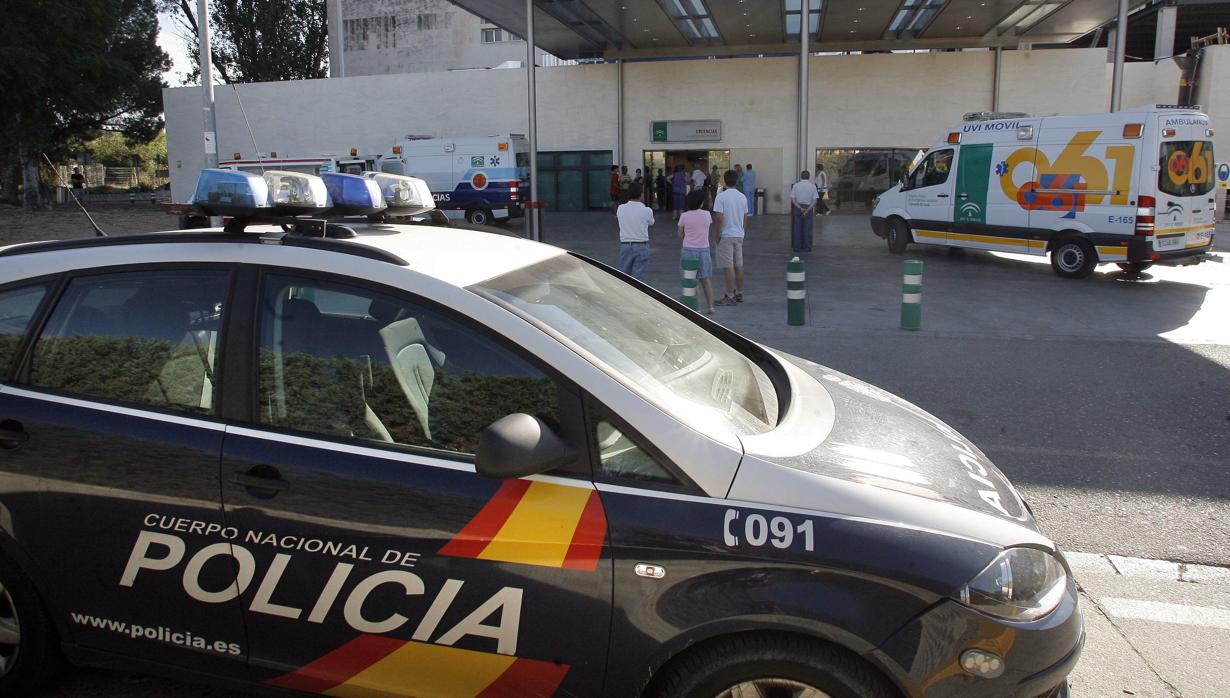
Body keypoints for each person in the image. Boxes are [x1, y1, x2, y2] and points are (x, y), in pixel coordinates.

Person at [712, 170, 748, 306]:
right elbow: (745, 217)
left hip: (726, 235)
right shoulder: (742, 197)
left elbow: (719, 219)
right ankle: (739, 293)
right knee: (739, 264)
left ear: (724, 181)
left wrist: (717, 235)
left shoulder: (721, 197)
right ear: (737, 181)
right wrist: (742, 231)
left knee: (728, 266)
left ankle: (730, 295)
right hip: (739, 234)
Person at [677, 189, 716, 314]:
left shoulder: (684, 216)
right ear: (700, 203)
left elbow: (680, 233)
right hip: (704, 249)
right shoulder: (707, 215)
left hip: (689, 250)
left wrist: (686, 238)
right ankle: (711, 306)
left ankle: (697, 308)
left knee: (692, 280)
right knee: (705, 279)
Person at [616, 182, 653, 281]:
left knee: (623, 276)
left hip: (625, 244)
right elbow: (651, 222)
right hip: (641, 245)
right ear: (641, 194)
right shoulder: (647, 210)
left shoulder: (620, 208)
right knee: (639, 277)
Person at [790, 170, 818, 253]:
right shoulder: (812, 186)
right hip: (808, 207)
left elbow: (792, 199)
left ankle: (796, 247)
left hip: (798, 208)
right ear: (809, 177)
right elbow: (815, 200)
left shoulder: (796, 186)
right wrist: (808, 209)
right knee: (807, 228)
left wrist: (799, 208)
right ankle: (807, 247)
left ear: (801, 176)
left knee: (797, 228)